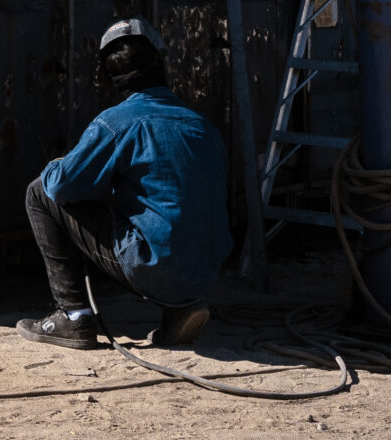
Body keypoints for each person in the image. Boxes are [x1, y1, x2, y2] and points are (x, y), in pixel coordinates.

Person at [17, 18, 232, 351]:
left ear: (111, 78)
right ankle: (180, 308)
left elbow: (59, 187)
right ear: (161, 63)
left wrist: (60, 163)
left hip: (156, 266)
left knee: (39, 191)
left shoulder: (116, 123)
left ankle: (73, 316)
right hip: (207, 269)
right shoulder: (200, 123)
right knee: (159, 211)